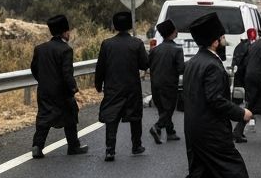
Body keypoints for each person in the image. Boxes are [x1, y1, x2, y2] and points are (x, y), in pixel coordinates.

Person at [161, 12, 254, 178]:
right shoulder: (212, 65)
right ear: (215, 40)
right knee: (231, 171)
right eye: (222, 37)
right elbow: (215, 99)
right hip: (212, 131)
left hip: (195, 129)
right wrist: (241, 113)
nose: (223, 41)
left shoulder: (194, 62)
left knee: (199, 174)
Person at [30, 14, 89, 158]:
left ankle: (37, 146)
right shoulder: (65, 49)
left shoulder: (40, 48)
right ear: (64, 32)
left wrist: (44, 81)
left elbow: (34, 69)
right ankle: (74, 146)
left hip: (44, 91)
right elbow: (67, 73)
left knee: (44, 118)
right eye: (68, 31)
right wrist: (74, 89)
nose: (69, 33)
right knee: (70, 115)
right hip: (61, 92)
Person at [95, 11, 149, 161]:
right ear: (130, 26)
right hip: (131, 86)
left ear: (115, 26)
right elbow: (144, 64)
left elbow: (101, 67)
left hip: (113, 87)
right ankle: (136, 146)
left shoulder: (107, 44)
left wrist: (98, 85)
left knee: (112, 117)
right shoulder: (137, 43)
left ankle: (110, 150)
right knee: (135, 116)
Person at [148, 18, 184, 144]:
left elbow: (148, 64)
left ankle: (170, 132)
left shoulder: (154, 50)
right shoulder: (177, 49)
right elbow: (181, 69)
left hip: (155, 83)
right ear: (173, 32)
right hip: (169, 84)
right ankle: (157, 127)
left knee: (162, 109)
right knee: (169, 109)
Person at [231, 34, 253, 143]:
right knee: (251, 106)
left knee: (250, 105)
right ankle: (237, 132)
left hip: (244, 78)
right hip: (255, 80)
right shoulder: (250, 47)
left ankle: (237, 132)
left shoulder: (239, 47)